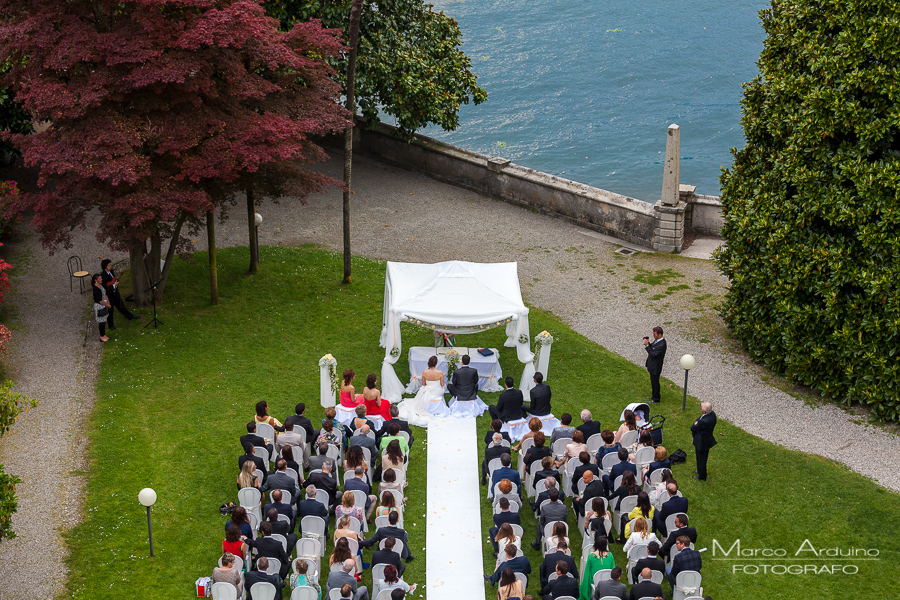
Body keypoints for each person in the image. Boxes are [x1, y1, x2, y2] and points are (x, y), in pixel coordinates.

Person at [396, 355, 449, 426]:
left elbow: (423, 384)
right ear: (436, 363)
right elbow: (442, 384)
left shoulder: (425, 372)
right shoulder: (440, 373)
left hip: (427, 389)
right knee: (441, 389)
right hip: (437, 391)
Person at [578, 534, 615, 600]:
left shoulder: (591, 556)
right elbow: (613, 570)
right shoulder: (610, 555)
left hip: (594, 582)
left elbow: (587, 572)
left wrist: (585, 587)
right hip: (607, 582)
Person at [691, 402, 717, 481]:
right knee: (702, 458)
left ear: (704, 412)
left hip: (702, 442)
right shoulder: (712, 415)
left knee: (701, 459)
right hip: (707, 439)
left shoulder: (703, 422)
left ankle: (702, 476)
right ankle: (700, 470)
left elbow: (693, 428)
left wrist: (696, 423)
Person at [643, 326, 667, 402]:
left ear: (660, 334)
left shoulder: (662, 344)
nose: (653, 335)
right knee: (653, 382)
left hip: (656, 367)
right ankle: (654, 395)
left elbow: (653, 354)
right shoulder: (657, 341)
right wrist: (648, 342)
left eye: (655, 334)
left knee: (655, 383)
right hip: (652, 366)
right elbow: (652, 348)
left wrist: (647, 346)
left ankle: (656, 398)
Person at [92, 273, 113, 342]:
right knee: (101, 322)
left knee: (104, 321)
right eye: (99, 279)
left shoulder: (100, 285)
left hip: (104, 304)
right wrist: (108, 305)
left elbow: (105, 294)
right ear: (96, 280)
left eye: (101, 278)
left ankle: (104, 335)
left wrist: (108, 302)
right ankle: (102, 336)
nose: (101, 279)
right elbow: (100, 300)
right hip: (100, 307)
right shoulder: (96, 289)